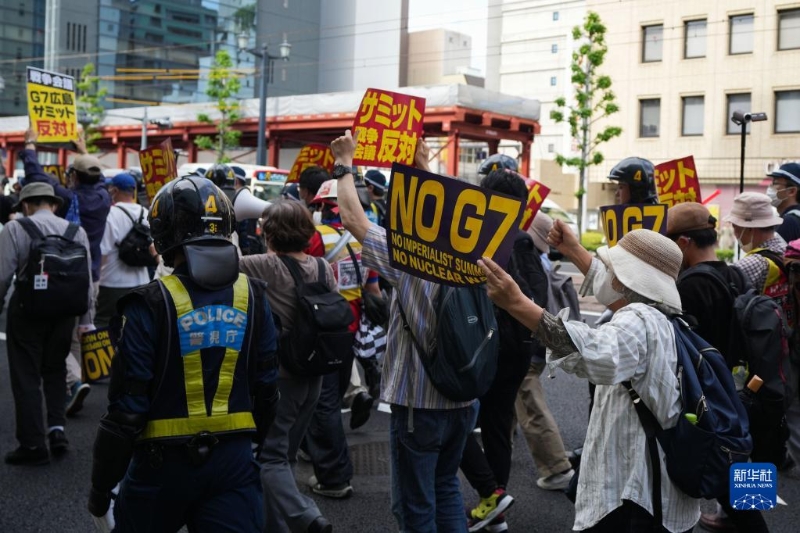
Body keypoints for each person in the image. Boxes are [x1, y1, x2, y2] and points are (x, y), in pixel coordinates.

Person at [86, 176, 280, 531]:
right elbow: (267, 389)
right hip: (234, 464)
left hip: (161, 468)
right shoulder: (254, 295)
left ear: (162, 234)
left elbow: (126, 413)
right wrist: (253, 448)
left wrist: (101, 487)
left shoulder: (148, 303)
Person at [478, 226, 700, 532]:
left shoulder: (640, 320)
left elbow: (590, 353)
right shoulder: (660, 316)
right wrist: (572, 249)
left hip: (636, 497)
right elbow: (611, 289)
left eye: (612, 267)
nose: (606, 273)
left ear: (626, 278)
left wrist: (517, 303)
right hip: (654, 492)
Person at [332, 129, 479, 532]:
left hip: (419, 401)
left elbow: (353, 219)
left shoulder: (412, 255)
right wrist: (423, 165)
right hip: (464, 396)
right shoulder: (478, 254)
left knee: (414, 506)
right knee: (446, 487)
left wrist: (344, 163)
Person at [666, 202, 769, 533]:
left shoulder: (690, 285)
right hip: (744, 386)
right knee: (742, 464)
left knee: (722, 475)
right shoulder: (734, 272)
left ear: (684, 242)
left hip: (711, 394)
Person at [458, 170, 548, 532]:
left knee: (453, 417)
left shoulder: (486, 239)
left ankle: (490, 493)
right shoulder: (523, 240)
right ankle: (495, 509)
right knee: (497, 425)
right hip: (519, 346)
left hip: (490, 344)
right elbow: (539, 294)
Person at [239, 199, 335, 533]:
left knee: (269, 458)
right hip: (314, 373)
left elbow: (221, 263)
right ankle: (277, 526)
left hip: (281, 375)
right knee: (287, 455)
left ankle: (305, 516)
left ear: (269, 232)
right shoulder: (322, 267)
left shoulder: (264, 265)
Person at [0, 183, 92, 465]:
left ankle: (32, 444)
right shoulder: (76, 231)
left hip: (27, 310)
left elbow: (2, 276)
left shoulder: (15, 228)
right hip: (65, 312)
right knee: (55, 370)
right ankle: (57, 430)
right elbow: (86, 280)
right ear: (53, 204)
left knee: (26, 376)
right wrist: (85, 321)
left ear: (26, 205)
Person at [21, 128, 111, 414]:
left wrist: (30, 146)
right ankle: (76, 383)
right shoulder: (104, 198)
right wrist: (84, 151)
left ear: (74, 176)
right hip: (90, 276)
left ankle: (73, 382)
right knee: (77, 334)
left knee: (55, 335)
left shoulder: (70, 199)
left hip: (60, 275)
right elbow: (99, 178)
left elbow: (38, 178)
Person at [302, 178, 380, 500]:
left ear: (321, 206)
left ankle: (334, 476)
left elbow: (300, 281)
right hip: (351, 328)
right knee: (330, 398)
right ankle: (316, 451)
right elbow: (373, 289)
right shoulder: (366, 239)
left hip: (322, 328)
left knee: (323, 402)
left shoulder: (316, 237)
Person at [516, 212, 576, 492]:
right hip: (539, 341)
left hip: (528, 342)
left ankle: (556, 468)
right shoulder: (541, 258)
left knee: (529, 403)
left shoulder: (524, 254)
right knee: (516, 396)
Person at [95, 173, 156, 329]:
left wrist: (96, 280)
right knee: (135, 326)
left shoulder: (110, 214)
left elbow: (103, 252)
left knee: (104, 324)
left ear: (115, 190)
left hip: (112, 282)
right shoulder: (145, 213)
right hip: (142, 283)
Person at [766, 163, 800, 243]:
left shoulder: (788, 223)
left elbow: (771, 250)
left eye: (775, 183)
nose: (770, 187)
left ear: (791, 191)